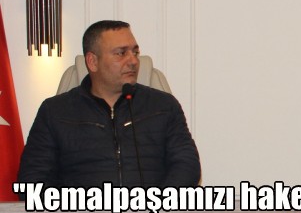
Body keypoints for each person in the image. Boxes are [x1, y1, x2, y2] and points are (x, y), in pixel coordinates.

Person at [18, 20, 201, 187]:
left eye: (135, 52)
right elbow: (32, 180)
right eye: (121, 53)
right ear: (92, 61)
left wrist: (157, 204)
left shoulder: (163, 106)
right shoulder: (55, 112)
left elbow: (187, 166)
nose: (133, 61)